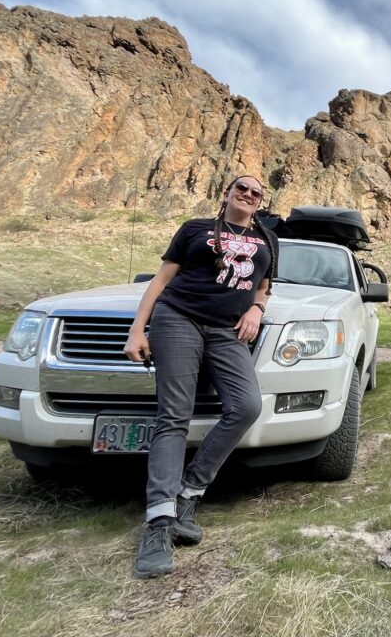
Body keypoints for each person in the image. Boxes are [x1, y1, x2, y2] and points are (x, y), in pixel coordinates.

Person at [124, 175, 279, 579]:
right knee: (174, 415)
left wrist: (256, 309)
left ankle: (189, 493)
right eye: (240, 187)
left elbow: (263, 287)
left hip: (227, 330)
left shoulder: (267, 240)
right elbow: (161, 280)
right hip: (178, 319)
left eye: (255, 191)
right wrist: (137, 330)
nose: (247, 193)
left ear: (261, 202)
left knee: (246, 406)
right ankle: (158, 525)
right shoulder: (194, 229)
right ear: (226, 193)